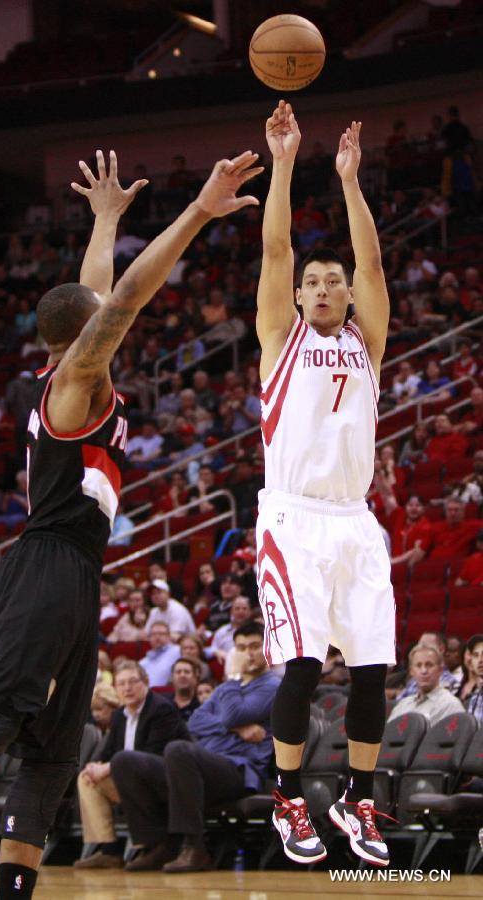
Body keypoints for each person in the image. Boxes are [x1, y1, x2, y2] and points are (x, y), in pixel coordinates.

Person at [0, 144, 263, 899]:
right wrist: (197, 210)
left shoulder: (66, 367)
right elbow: (121, 298)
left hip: (72, 572)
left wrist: (103, 219)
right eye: (102, 327)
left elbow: (96, 291)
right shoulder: (74, 382)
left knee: (54, 754)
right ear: (84, 338)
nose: (114, 330)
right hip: (47, 562)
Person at [255, 102, 396, 867]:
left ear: (344, 295)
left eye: (330, 281)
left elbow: (374, 266)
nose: (319, 288)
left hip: (354, 520)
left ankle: (358, 798)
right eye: (311, 282)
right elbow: (275, 250)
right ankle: (286, 798)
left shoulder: (366, 344)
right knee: (305, 665)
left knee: (372, 664)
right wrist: (283, 164)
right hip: (293, 519)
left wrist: (349, 180)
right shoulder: (280, 340)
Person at [111, 622, 279, 872]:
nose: (247, 654)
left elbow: (233, 714)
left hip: (239, 771)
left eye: (254, 646)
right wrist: (237, 728)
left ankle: (195, 847)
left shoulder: (272, 685)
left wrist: (233, 677)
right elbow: (195, 722)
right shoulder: (225, 690)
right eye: (241, 648)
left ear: (267, 649)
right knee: (125, 761)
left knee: (178, 749)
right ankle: (160, 844)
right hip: (201, 768)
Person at [73, 660, 189, 869]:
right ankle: (109, 850)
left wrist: (108, 767)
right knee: (86, 779)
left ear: (146, 682)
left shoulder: (161, 709)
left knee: (124, 765)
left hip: (165, 783)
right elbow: (108, 752)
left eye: (133, 682)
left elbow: (153, 756)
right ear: (115, 688)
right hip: (130, 781)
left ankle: (154, 846)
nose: (127, 688)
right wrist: (94, 766)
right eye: (121, 683)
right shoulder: (119, 716)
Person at [388, 644, 464, 727]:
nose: (424, 671)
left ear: (440, 670)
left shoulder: (450, 704)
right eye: (418, 665)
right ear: (411, 671)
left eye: (429, 665)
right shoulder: (403, 705)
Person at [140, 622, 182, 688]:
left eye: (161, 634)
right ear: (149, 638)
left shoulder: (178, 651)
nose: (157, 637)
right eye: (153, 634)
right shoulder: (143, 662)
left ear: (169, 636)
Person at [169, 657, 200, 723]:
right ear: (172, 678)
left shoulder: (202, 705)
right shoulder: (163, 705)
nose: (182, 675)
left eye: (187, 672)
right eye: (178, 672)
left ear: (195, 678)